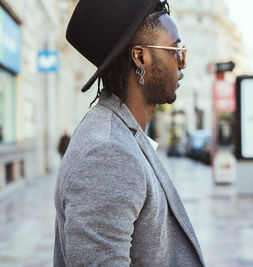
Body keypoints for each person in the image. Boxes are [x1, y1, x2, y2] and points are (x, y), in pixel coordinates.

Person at [53, 0, 205, 266]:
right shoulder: (108, 152)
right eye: (176, 50)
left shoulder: (123, 133)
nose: (182, 63)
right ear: (140, 56)